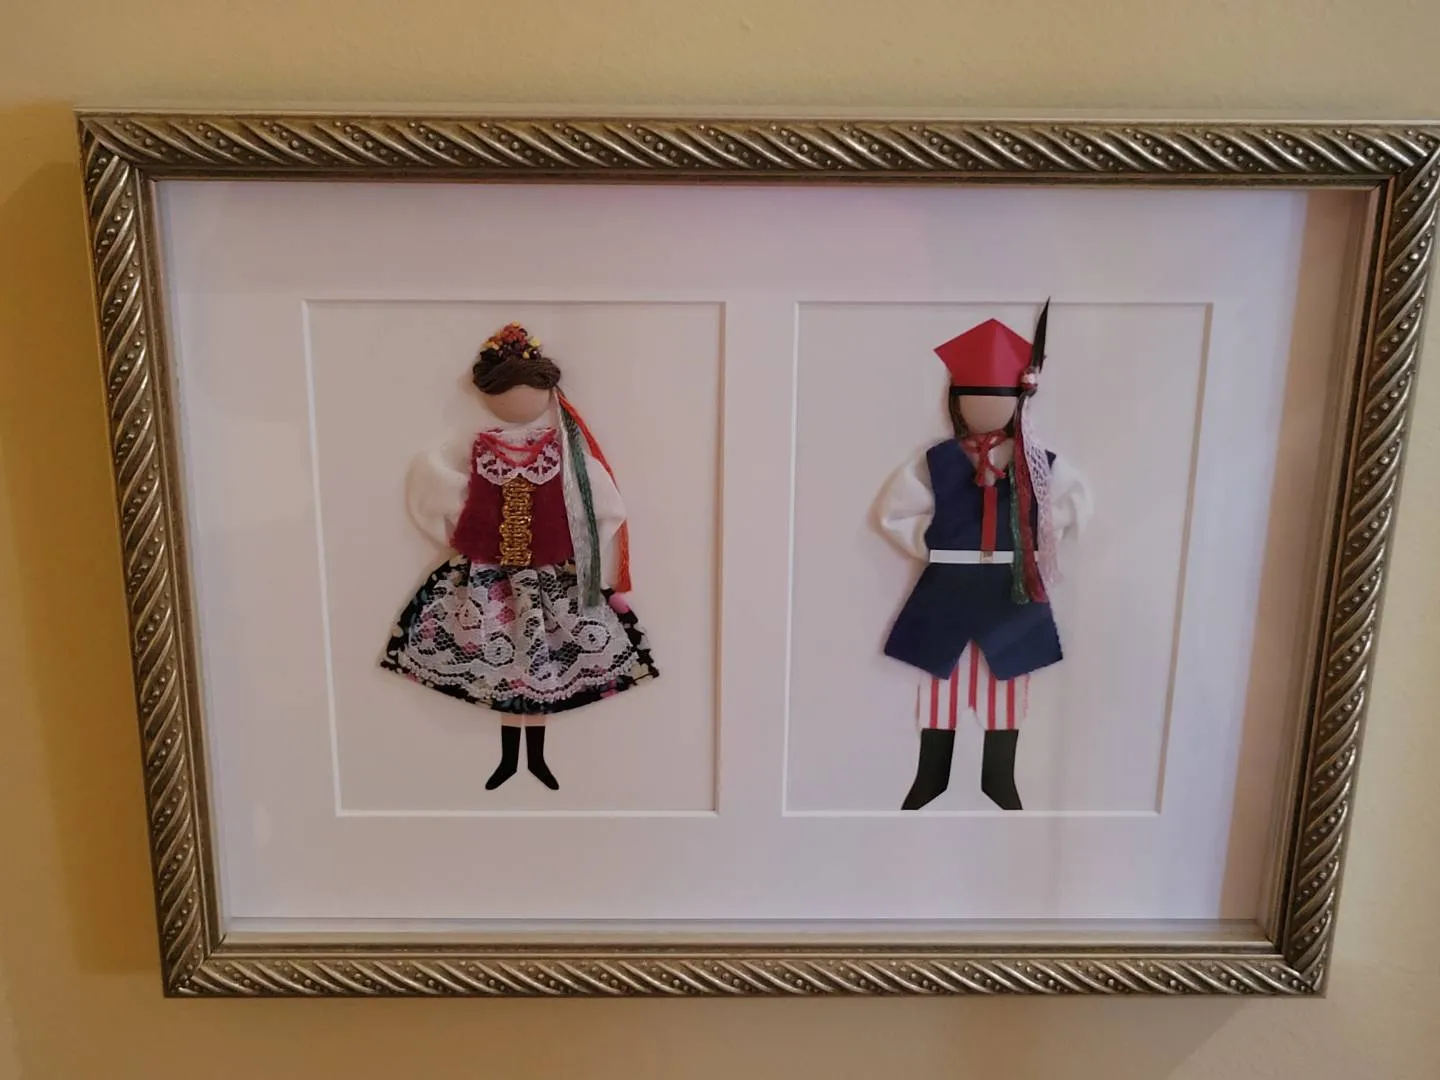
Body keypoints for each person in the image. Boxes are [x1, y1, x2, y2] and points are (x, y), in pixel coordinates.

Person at [381, 323, 658, 791]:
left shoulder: (566, 455)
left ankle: (536, 758)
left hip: (549, 581)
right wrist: (466, 538)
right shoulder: (478, 451)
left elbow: (603, 506)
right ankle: (511, 760)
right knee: (505, 676)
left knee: (541, 672)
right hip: (487, 582)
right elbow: (435, 491)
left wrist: (578, 548)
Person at [877, 304, 1091, 810]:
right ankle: (930, 778)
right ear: (957, 402)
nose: (987, 408)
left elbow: (1074, 505)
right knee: (939, 683)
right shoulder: (937, 462)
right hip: (947, 589)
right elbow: (895, 513)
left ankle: (1001, 780)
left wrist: (1037, 543)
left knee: (1008, 682)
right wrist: (939, 545)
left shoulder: (1039, 464)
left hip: (1011, 589)